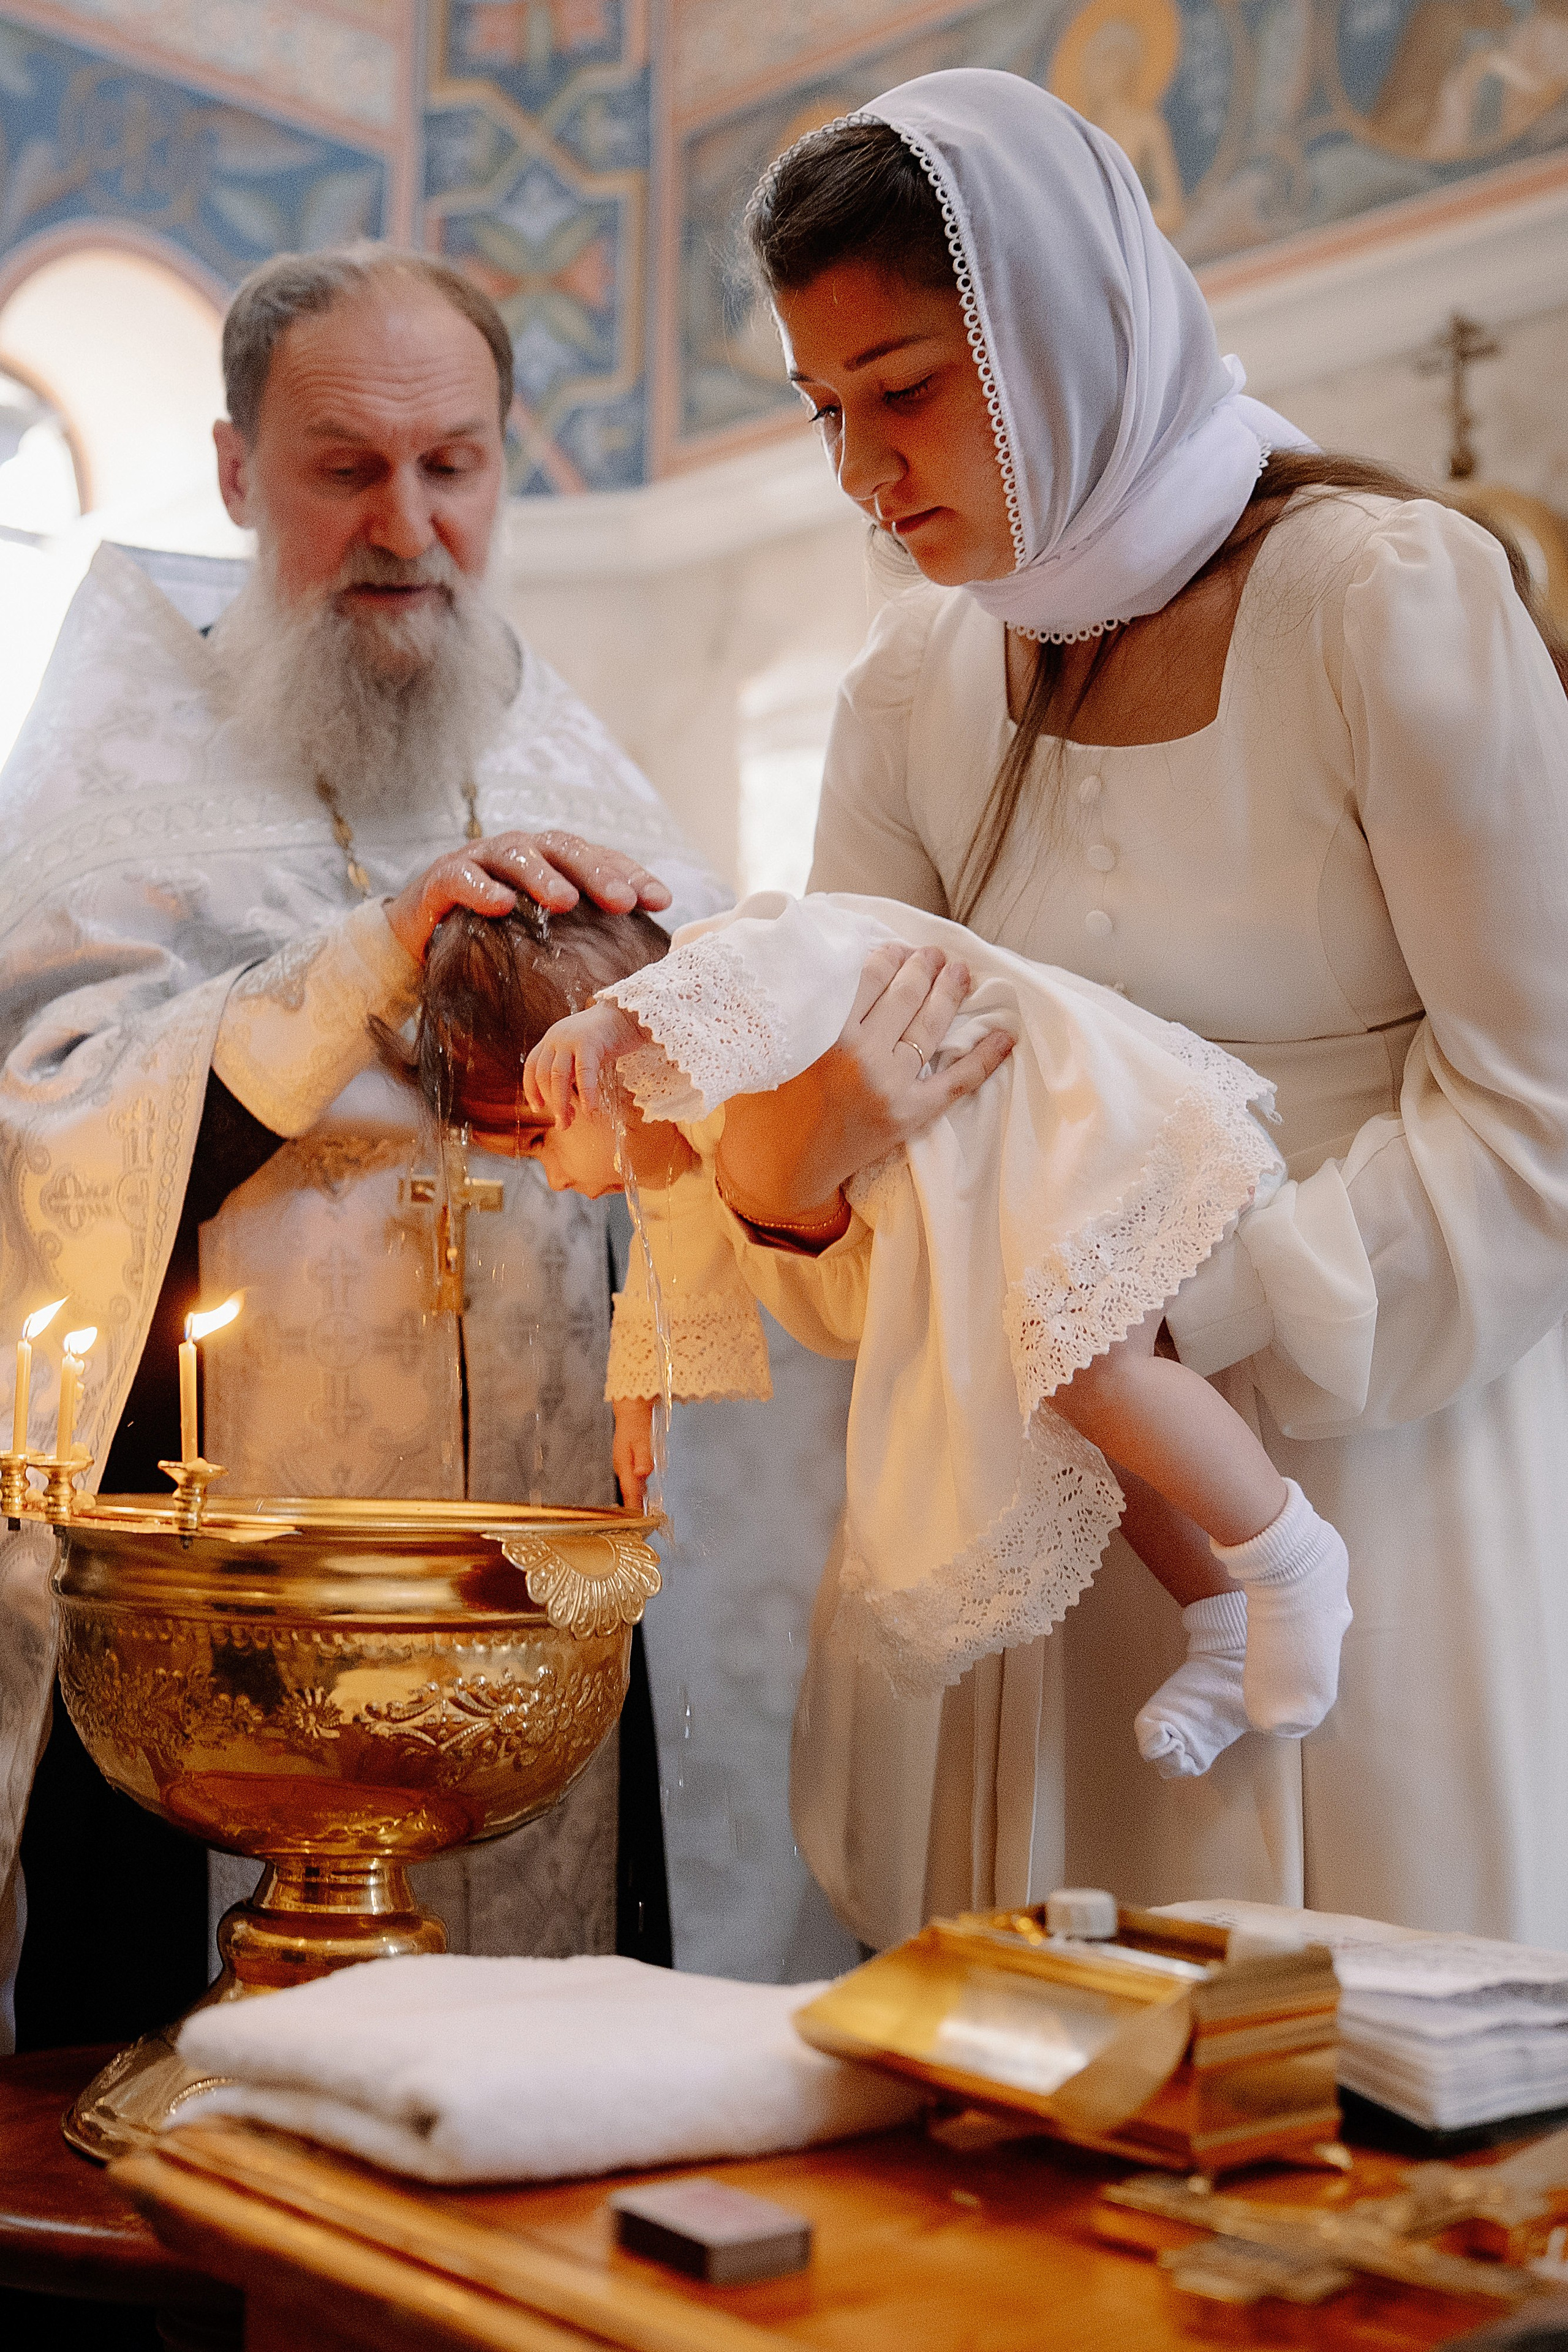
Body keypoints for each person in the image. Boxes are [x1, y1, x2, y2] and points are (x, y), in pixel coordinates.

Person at [718, 68, 1568, 1951]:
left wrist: (1179, 1306)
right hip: (1045, 1516)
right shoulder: (908, 695)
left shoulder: (1379, 603)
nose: (863, 473)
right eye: (824, 413)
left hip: (1371, 1465)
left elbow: (1543, 1114)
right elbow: (842, 1184)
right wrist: (792, 1181)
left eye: (908, 390)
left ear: (1060, 332)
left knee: (1352, 2104)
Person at [0, 242, 723, 2053]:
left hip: (535, 1591)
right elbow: (48, 1121)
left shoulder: (571, 757)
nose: (407, 522)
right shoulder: (126, 749)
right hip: (216, 1603)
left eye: (453, 465)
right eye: (346, 468)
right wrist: (360, 965)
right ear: (242, 472)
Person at [404, 890, 1357, 1783]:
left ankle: (1292, 1557)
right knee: (1083, 1403)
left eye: (538, 1142)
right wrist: (636, 1393)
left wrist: (618, 1019)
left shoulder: (725, 968)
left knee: (1099, 1378)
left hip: (1056, 1128)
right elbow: (668, 1267)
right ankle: (1222, 1616)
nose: (557, 1182)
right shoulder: (692, 1140)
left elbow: (797, 950)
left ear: (595, 1050)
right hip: (1004, 1189)